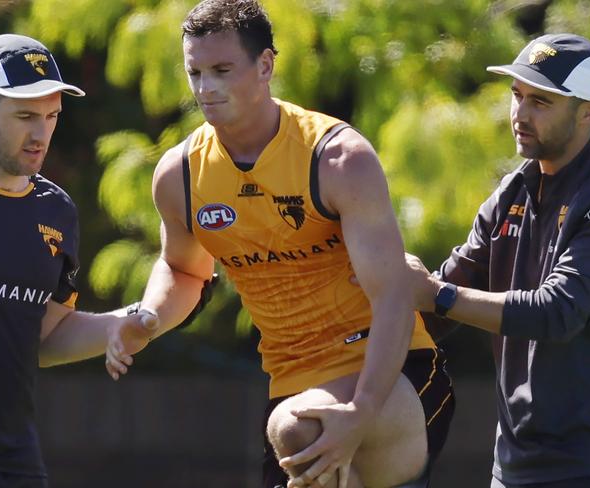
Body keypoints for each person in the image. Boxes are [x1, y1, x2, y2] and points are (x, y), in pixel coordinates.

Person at [104, 1, 454, 487]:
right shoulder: (179, 175)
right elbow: (184, 271)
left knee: (297, 429)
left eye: (222, 70)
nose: (206, 88)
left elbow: (393, 296)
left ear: (265, 65)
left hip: (392, 372)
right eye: (195, 72)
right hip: (293, 386)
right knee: (295, 428)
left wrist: (361, 412)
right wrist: (148, 318)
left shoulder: (337, 159)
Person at [405, 33, 590, 488]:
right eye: (516, 95)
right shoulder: (512, 191)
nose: (520, 113)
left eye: (540, 101)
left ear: (587, 112)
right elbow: (436, 307)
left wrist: (438, 295)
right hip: (512, 467)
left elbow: (559, 311)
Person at [0, 33, 161, 487]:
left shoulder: (57, 211)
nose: (41, 134)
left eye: (52, 116)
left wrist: (117, 326)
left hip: (11, 462)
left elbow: (45, 337)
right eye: (25, 116)